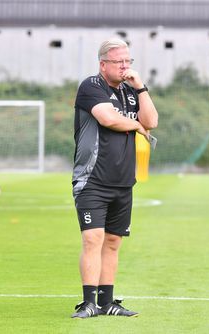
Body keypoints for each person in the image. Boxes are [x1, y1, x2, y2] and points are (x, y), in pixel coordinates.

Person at [71, 38, 158, 318]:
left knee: (112, 242)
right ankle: (88, 303)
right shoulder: (91, 86)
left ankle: (107, 302)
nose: (124, 67)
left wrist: (141, 88)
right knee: (93, 238)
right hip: (92, 179)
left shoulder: (131, 93)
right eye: (119, 62)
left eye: (128, 61)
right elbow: (108, 119)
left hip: (122, 182)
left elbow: (152, 121)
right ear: (103, 64)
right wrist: (136, 125)